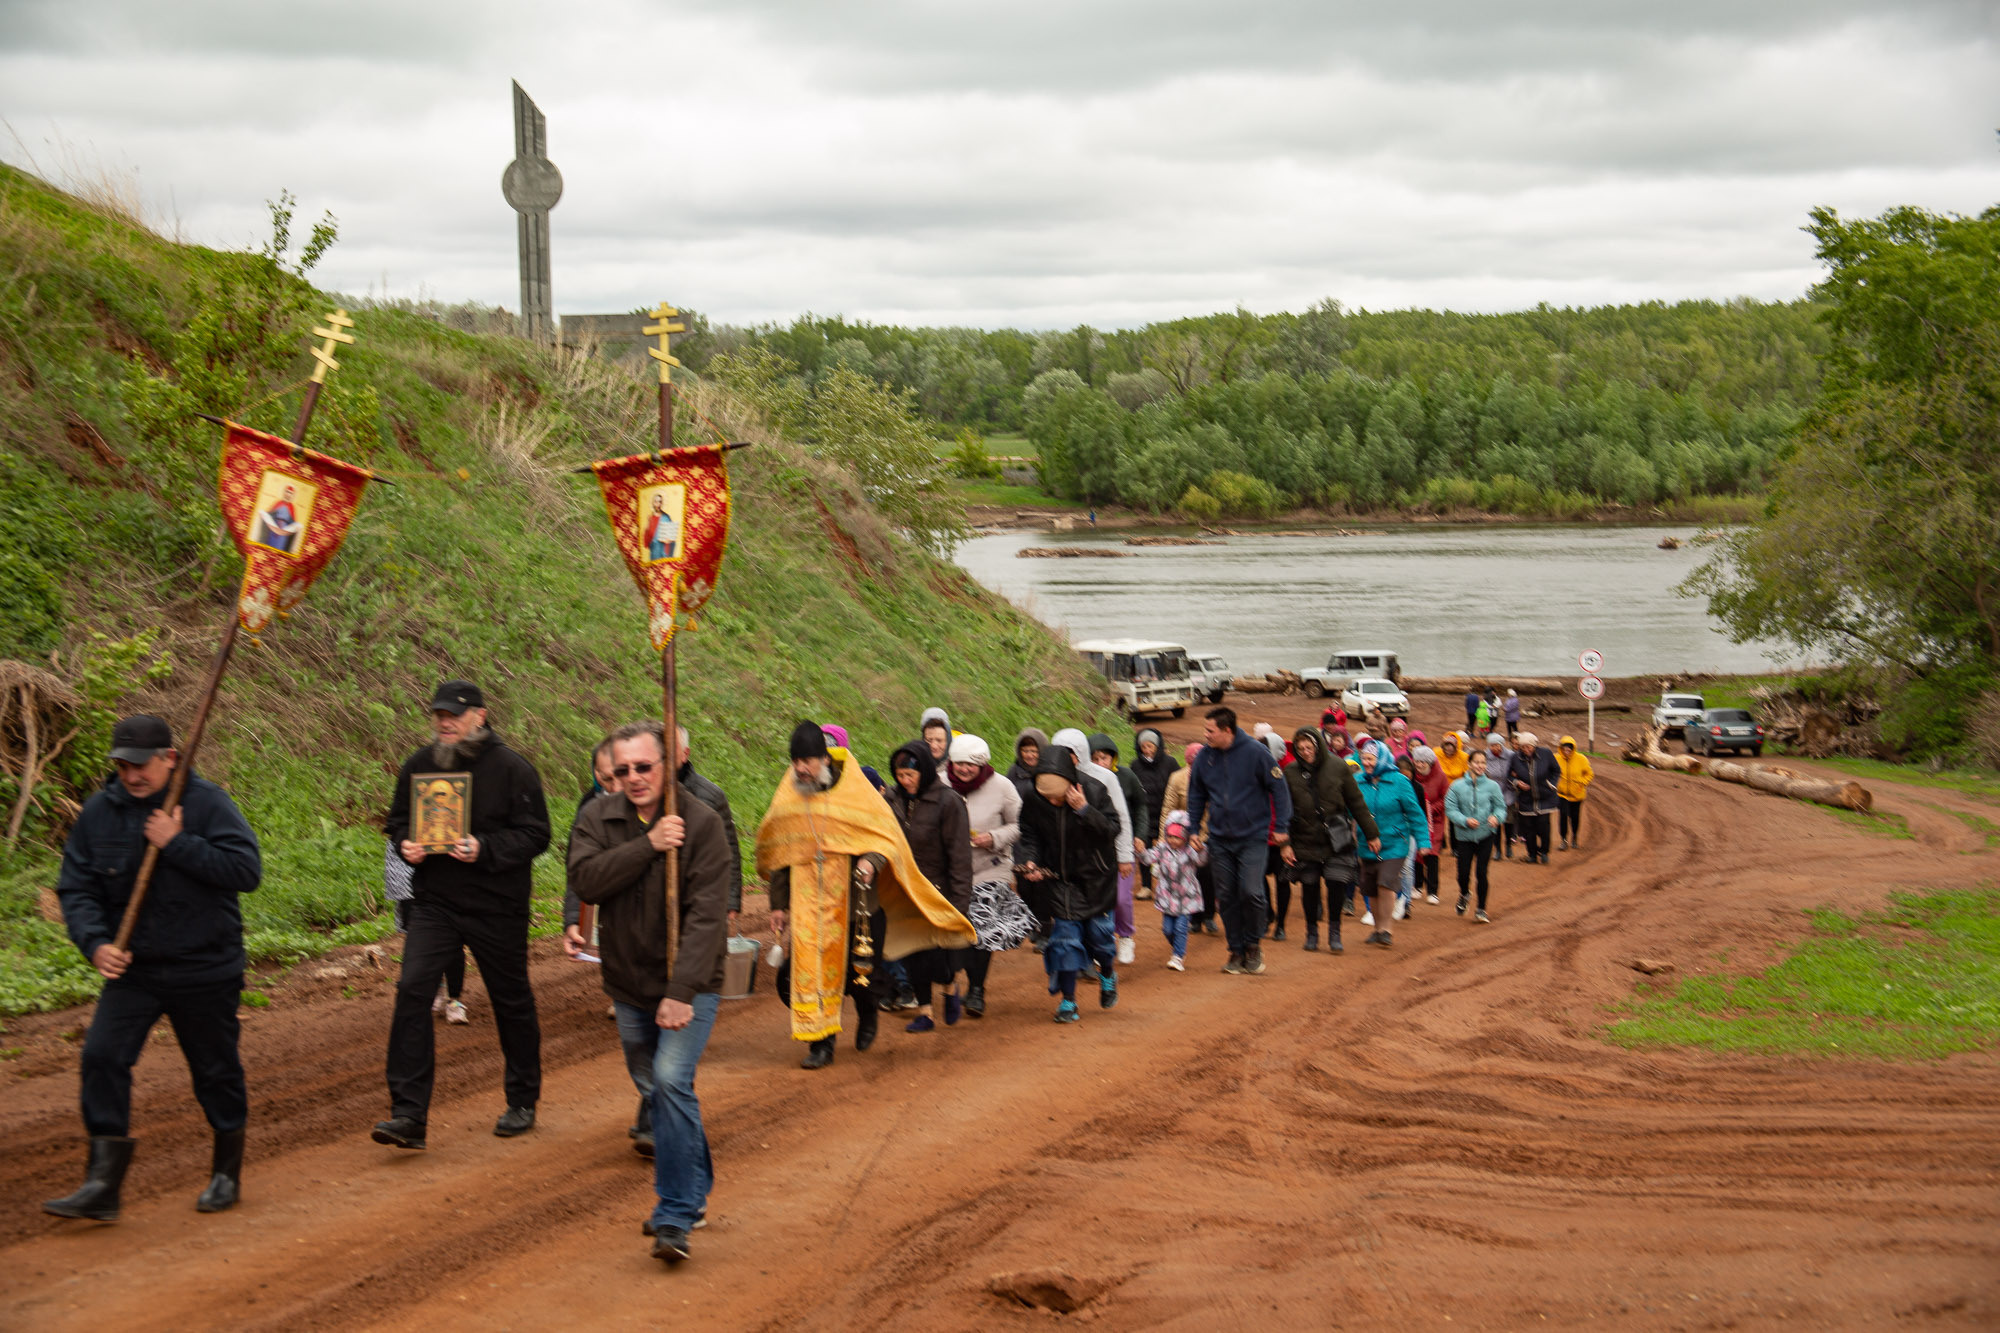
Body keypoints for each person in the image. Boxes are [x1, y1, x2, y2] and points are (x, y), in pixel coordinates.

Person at [44, 714, 262, 1222]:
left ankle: (226, 1172)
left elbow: (246, 871)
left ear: (170, 758)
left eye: (141, 765)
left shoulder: (207, 804)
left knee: (215, 1071)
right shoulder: (100, 812)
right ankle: (102, 1183)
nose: (132, 775)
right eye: (122, 765)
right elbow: (76, 888)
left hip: (206, 966)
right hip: (135, 971)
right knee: (101, 1057)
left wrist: (177, 841)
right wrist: (95, 944)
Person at [567, 721, 733, 1264]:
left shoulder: (702, 823)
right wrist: (648, 845)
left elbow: (708, 916)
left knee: (669, 1079)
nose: (634, 778)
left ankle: (675, 1213)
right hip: (627, 982)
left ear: (669, 765)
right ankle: (695, 1184)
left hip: (690, 982)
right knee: (656, 1087)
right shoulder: (598, 816)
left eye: (644, 767)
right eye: (623, 770)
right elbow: (587, 881)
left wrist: (682, 990)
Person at [376, 681, 551, 1149]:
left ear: (480, 715)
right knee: (413, 990)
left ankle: (522, 1099)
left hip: (498, 906)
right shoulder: (420, 765)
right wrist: (405, 843)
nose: (444, 721)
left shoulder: (513, 769)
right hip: (436, 903)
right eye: (438, 714)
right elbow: (396, 820)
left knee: (510, 998)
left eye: (453, 714)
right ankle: (408, 1115)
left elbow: (537, 835)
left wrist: (485, 847)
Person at [757, 723, 974, 1069]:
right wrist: (779, 905)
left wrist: (870, 863)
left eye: (807, 761)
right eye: (795, 761)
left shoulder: (857, 790)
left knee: (862, 976)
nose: (800, 769)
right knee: (814, 973)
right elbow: (783, 853)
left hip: (859, 906)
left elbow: (884, 839)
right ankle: (820, 1043)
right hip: (809, 906)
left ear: (825, 759)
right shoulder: (790, 796)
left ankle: (868, 1011)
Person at [1185, 707, 1293, 975]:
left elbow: (1279, 788)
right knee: (1227, 895)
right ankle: (1235, 950)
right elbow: (1196, 793)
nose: (1205, 735)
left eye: (1210, 730)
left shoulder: (1256, 753)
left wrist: (1281, 826)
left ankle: (1253, 944)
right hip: (1219, 839)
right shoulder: (1204, 758)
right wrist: (1194, 829)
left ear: (1227, 731)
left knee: (1251, 891)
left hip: (1253, 837)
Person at [1014, 746, 1119, 1021]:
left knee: (1099, 938)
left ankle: (1107, 972)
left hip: (1096, 880)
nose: (1054, 803)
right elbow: (1029, 836)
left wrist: (1084, 810)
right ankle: (1068, 1002)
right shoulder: (1034, 799)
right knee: (1065, 941)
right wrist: (1030, 861)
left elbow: (1111, 831)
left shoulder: (1094, 792)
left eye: (1059, 798)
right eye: (1048, 799)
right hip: (1060, 881)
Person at [884, 740, 975, 1032]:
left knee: (938, 957)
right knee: (913, 954)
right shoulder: (893, 799)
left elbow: (960, 857)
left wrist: (960, 905)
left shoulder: (948, 802)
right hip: (905, 891)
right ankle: (925, 1012)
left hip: (939, 892)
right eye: (900, 776)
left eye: (910, 776)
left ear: (924, 771)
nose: (905, 781)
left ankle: (949, 986)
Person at [948, 734, 1032, 1016]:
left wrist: (994, 837)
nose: (964, 769)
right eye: (959, 764)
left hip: (991, 866)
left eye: (970, 765)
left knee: (981, 925)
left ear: (982, 763)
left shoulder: (1002, 786)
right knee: (957, 931)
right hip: (952, 871)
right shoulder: (940, 784)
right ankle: (955, 975)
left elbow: (1021, 824)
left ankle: (976, 990)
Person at [1279, 726, 1380, 955]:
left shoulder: (1337, 767)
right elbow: (1283, 809)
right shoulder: (1291, 772)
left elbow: (1356, 802)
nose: (1305, 752)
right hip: (1304, 838)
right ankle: (1311, 932)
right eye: (1300, 748)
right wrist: (1285, 844)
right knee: (1310, 887)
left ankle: (1335, 932)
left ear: (1318, 745)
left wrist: (1371, 834)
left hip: (1336, 837)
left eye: (1309, 747)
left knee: (1336, 884)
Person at [1050, 729, 1136, 965]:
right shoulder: (1053, 777)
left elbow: (1121, 817)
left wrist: (1124, 855)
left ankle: (1122, 937)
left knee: (1113, 903)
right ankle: (1085, 958)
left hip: (1102, 857)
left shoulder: (1104, 777)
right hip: (1069, 861)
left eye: (1070, 753)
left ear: (1080, 753)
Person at [1354, 740, 1428, 948]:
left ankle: (1386, 928)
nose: (1366, 763)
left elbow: (1415, 812)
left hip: (1395, 843)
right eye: (1364, 758)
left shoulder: (1399, 781)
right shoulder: (1357, 781)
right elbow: (1350, 810)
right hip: (1366, 843)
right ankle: (1377, 929)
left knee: (1385, 882)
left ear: (1383, 759)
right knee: (1370, 887)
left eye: (1371, 759)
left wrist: (1423, 841)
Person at [1089, 732, 1149, 962]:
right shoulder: (1085, 779)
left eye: (1103, 757)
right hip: (1096, 850)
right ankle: (1103, 942)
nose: (1099, 763)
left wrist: (1141, 835)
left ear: (1113, 757)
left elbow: (1141, 806)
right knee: (1101, 899)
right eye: (1094, 758)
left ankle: (1125, 937)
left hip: (1123, 845)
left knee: (1122, 899)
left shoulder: (1126, 776)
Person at [1162, 741, 1220, 936]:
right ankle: (1194, 918)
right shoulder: (1177, 778)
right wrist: (1165, 837)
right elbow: (1168, 807)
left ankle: (1209, 915)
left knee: (1207, 876)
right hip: (1183, 837)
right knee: (1188, 877)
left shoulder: (1214, 776)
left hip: (1208, 835)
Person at [1139, 812, 1205, 969]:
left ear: (1185, 837)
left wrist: (1201, 849)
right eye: (1169, 836)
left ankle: (1178, 956)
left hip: (1186, 898)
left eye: (1177, 837)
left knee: (1181, 928)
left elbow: (1201, 861)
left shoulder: (1189, 851)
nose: (1172, 840)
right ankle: (1177, 947)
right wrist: (1141, 851)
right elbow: (1148, 859)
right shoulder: (1162, 848)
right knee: (1168, 930)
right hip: (1167, 897)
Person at [1445, 749, 1506, 922]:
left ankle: (1481, 909)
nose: (1480, 766)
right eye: (1477, 762)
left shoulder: (1492, 786)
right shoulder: (1456, 786)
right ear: (1469, 764)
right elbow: (1450, 809)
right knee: (1463, 873)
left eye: (1483, 763)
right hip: (1464, 836)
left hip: (1486, 834)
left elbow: (1500, 807)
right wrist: (1465, 820)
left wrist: (1496, 817)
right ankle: (1464, 894)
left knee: (1481, 872)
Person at [1128, 728, 1179, 901]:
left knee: (1170, 851)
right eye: (1143, 747)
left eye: (1150, 746)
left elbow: (1178, 785)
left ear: (1157, 746)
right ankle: (1146, 886)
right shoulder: (1135, 766)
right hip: (1145, 816)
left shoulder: (1170, 763)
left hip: (1167, 815)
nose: (1147, 750)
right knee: (1144, 850)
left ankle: (1171, 885)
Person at [1511, 731, 1560, 864]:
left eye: (1529, 747)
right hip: (1526, 799)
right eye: (1523, 747)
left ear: (1534, 746)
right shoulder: (1515, 758)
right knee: (1528, 830)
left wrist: (1551, 784)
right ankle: (1532, 854)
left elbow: (1556, 770)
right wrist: (1517, 783)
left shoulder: (1546, 754)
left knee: (1544, 827)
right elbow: (1509, 774)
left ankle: (1544, 852)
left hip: (1544, 797)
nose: (1526, 750)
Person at [1410, 745, 1449, 907]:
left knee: (1432, 853)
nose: (1419, 765)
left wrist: (1430, 809)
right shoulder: (1413, 778)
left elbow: (1445, 798)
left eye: (1422, 762)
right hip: (1416, 820)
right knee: (1417, 853)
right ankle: (1417, 886)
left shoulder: (1440, 777)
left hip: (1436, 821)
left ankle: (1433, 891)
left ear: (1430, 763)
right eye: (1417, 762)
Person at [1483, 732, 1519, 859]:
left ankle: (1508, 845)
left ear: (1502, 745)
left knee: (1509, 821)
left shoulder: (1511, 755)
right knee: (1495, 823)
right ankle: (1497, 849)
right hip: (1492, 792)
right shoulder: (1485, 756)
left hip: (1508, 790)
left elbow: (1517, 768)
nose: (1495, 748)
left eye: (1497, 745)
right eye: (1492, 745)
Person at [1555, 735, 1594, 850]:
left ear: (1573, 749)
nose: (1567, 752)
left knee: (1574, 817)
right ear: (1561, 749)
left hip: (1577, 795)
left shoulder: (1581, 759)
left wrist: (1582, 782)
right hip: (1562, 794)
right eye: (1565, 749)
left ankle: (1575, 837)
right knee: (1562, 817)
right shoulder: (1556, 758)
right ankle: (1563, 840)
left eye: (1569, 750)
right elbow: (1550, 770)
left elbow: (1589, 774)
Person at [1008, 728, 1047, 794]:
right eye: (1025, 751)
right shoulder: (1014, 771)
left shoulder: (1050, 772)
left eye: (1034, 751)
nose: (1029, 756)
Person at [644, 492, 679, 561]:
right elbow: (647, 540)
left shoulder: (666, 517)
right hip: (654, 551)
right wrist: (648, 526)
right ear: (653, 503)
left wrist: (669, 540)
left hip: (664, 550)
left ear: (662, 503)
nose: (658, 504)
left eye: (660, 502)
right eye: (656, 502)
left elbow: (671, 535)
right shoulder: (650, 518)